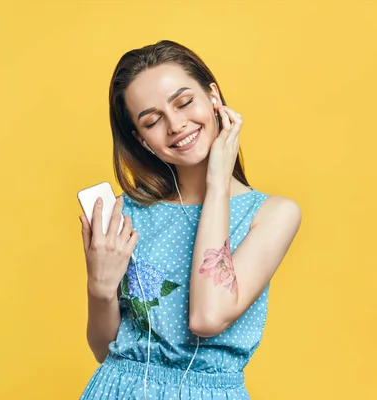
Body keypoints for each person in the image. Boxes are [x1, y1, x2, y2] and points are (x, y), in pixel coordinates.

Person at [78, 40, 301, 399]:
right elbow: (106, 351)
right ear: (141, 139)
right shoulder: (127, 212)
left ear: (213, 97)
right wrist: (99, 288)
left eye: (184, 102)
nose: (176, 125)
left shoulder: (273, 214)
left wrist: (216, 183)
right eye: (152, 120)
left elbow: (207, 318)